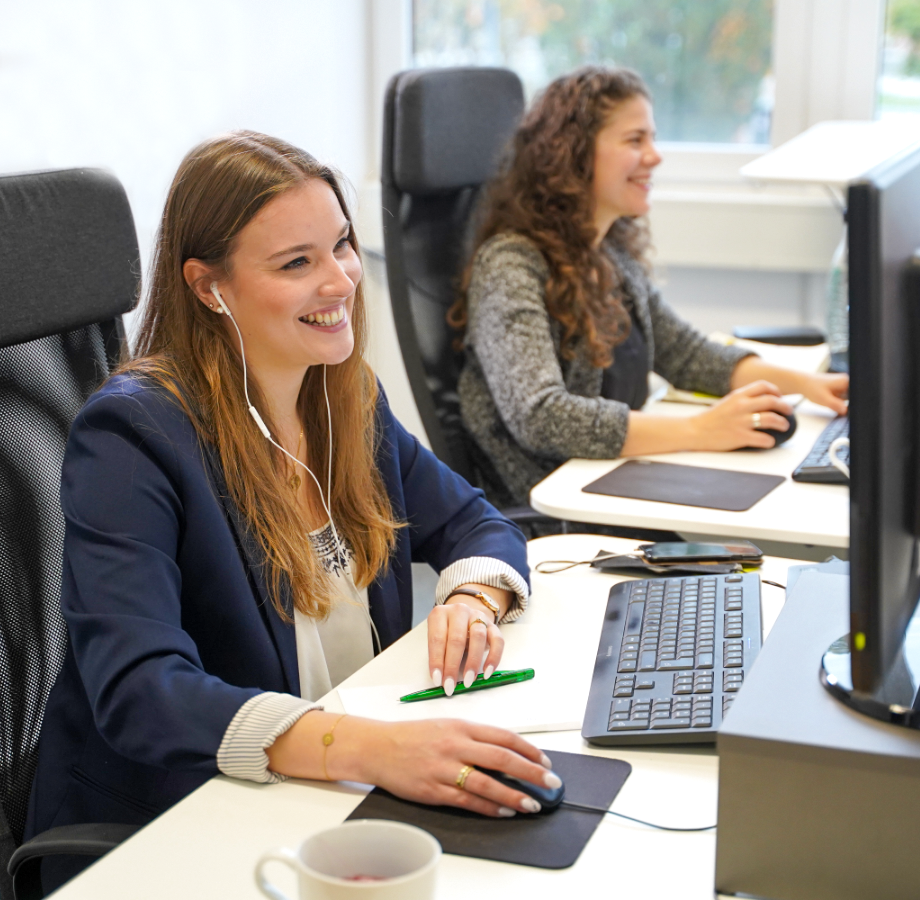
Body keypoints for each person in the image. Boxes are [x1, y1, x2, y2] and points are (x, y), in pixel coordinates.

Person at [26, 132, 559, 893]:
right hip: (180, 825)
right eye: (296, 263)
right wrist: (368, 749)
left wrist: (473, 597)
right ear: (210, 287)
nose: (341, 281)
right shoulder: (133, 437)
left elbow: (476, 521)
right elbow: (142, 690)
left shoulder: (343, 397)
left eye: (341, 245)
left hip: (326, 791)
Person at [451, 66, 849, 509]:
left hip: (618, 483)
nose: (655, 156)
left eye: (653, 138)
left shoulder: (610, 253)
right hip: (560, 508)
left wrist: (810, 384)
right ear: (575, 154)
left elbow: (687, 355)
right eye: (635, 140)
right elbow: (541, 416)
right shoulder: (509, 265)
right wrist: (701, 430)